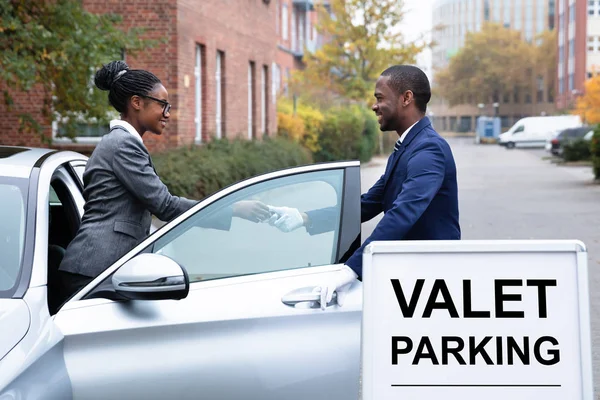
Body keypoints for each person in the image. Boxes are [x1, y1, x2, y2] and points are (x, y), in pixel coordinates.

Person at [54, 61, 269, 310]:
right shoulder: (123, 145)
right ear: (137, 102)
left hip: (97, 268)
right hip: (94, 270)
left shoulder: (121, 143)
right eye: (162, 104)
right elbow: (164, 205)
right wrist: (230, 208)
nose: (168, 113)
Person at [268, 65, 461, 308]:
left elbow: (403, 214)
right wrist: (303, 217)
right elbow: (370, 202)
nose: (374, 105)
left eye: (380, 98)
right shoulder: (410, 146)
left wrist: (352, 268)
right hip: (411, 280)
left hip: (431, 286)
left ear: (406, 98)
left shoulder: (428, 150)